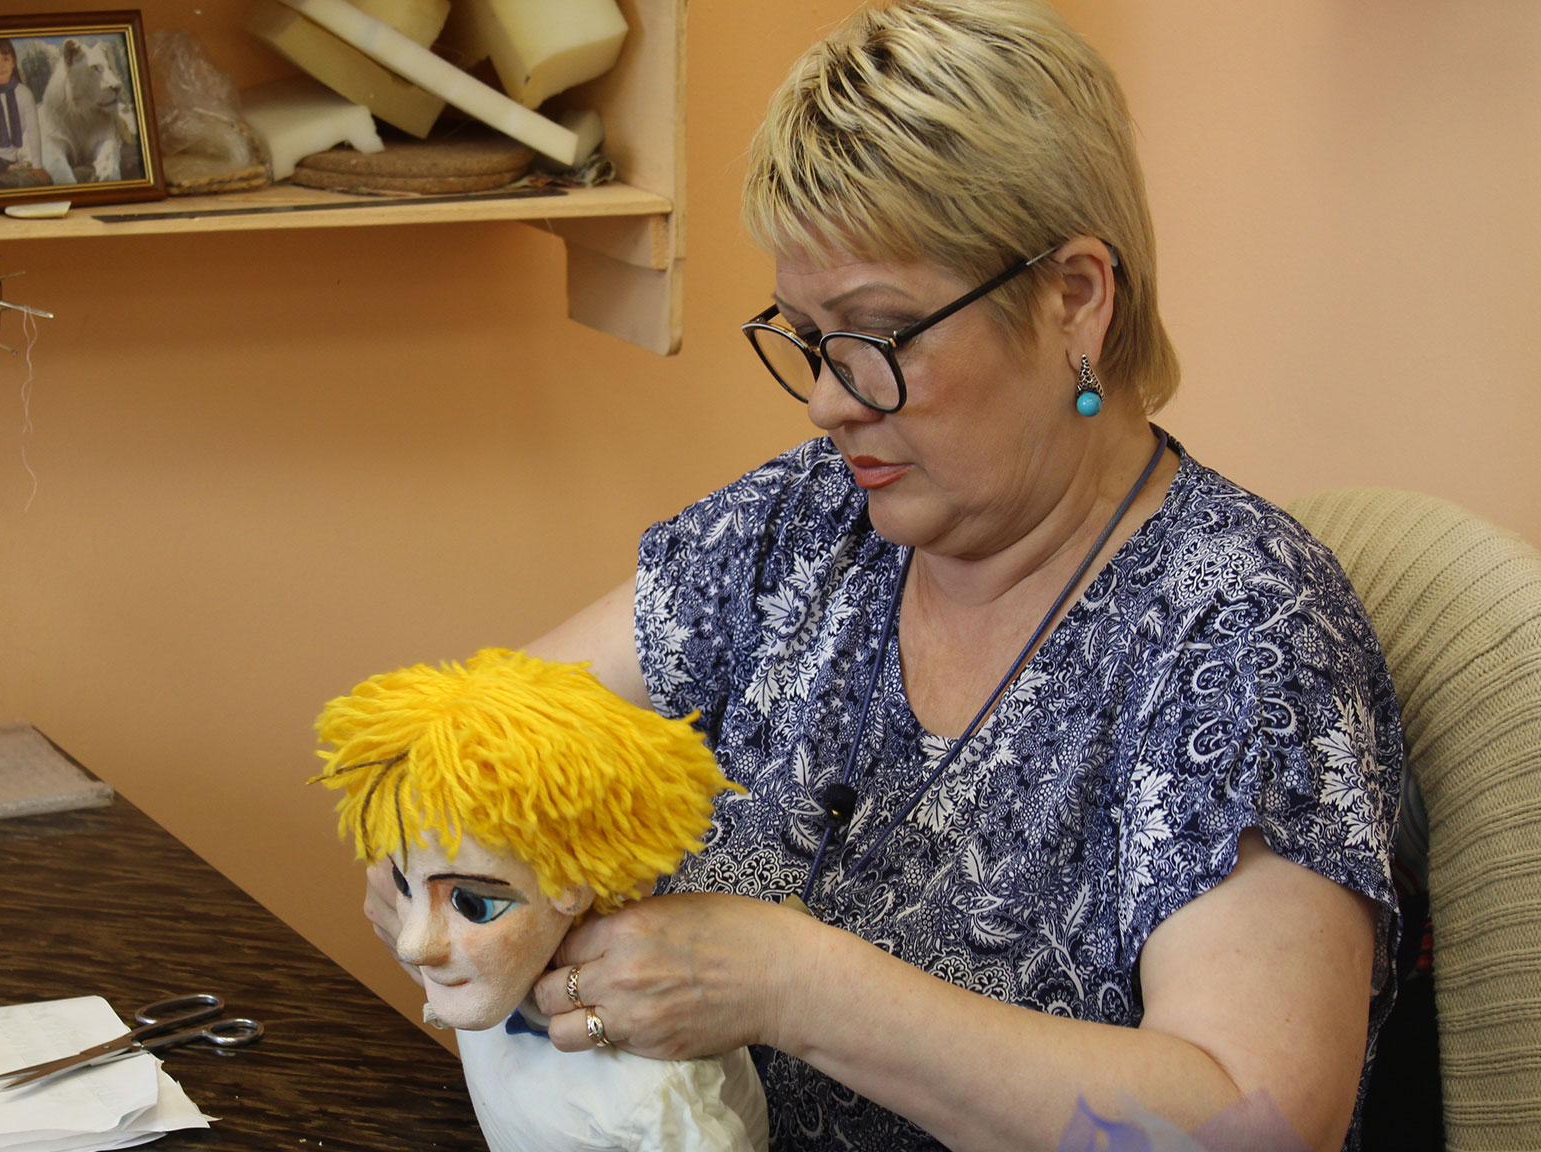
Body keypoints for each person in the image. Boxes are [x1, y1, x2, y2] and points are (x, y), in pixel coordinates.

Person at [363, 2, 1403, 1150]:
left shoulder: (1240, 636)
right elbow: (465, 743)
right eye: (808, 338)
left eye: (877, 337)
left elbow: (1249, 1127)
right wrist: (443, 866)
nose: (827, 400)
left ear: (1074, 298)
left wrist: (792, 985)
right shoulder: (811, 524)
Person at [314, 648, 769, 1152]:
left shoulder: (650, 1095)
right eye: (404, 884)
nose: (412, 944)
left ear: (570, 888)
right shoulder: (493, 982)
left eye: (470, 905)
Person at [0, 38, 44, 176]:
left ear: (13, 61)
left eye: (5, 59)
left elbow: (33, 131)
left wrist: (37, 166)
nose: (0, 66)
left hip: (0, 155)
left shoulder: (24, 94)